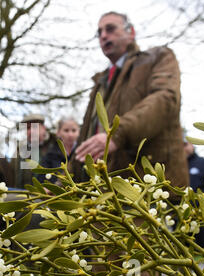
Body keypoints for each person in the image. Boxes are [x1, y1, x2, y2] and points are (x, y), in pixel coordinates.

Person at [71, 11, 188, 189]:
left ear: (130, 32)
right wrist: (64, 179)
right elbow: (87, 137)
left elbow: (165, 99)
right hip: (105, 193)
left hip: (150, 190)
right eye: (99, 32)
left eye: (110, 29)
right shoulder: (100, 82)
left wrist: (116, 134)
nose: (103, 36)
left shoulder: (158, 58)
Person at [12, 113, 58, 188]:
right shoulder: (19, 152)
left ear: (44, 128)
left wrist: (54, 188)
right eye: (28, 128)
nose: (30, 131)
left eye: (34, 127)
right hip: (22, 197)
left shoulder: (57, 146)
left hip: (51, 197)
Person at [183, 139, 204, 248]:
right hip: (184, 217)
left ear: (192, 145)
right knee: (187, 249)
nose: (183, 148)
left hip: (203, 217)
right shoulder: (176, 167)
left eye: (185, 144)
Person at [37, 117, 80, 183]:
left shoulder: (83, 152)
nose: (70, 134)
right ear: (58, 133)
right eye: (66, 130)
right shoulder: (50, 155)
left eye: (74, 130)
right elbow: (42, 177)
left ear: (79, 132)